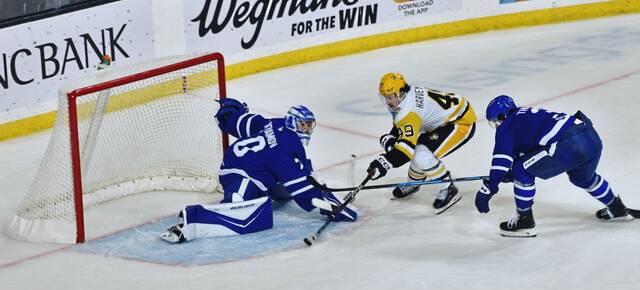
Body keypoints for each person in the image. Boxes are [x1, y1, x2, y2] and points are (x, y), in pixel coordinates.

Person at [161, 104, 357, 243]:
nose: (307, 129)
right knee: (241, 212)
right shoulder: (286, 148)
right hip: (240, 173)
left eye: (309, 125)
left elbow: (247, 123)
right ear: (294, 123)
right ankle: (192, 221)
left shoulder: (276, 123)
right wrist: (326, 206)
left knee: (285, 188)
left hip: (258, 170)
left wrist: (231, 116)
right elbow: (301, 189)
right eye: (304, 125)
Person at [475, 95, 638, 237]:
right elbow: (533, 148)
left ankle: (524, 220)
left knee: (521, 168)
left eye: (495, 121)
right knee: (584, 178)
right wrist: (510, 175)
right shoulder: (525, 116)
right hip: (589, 135)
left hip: (568, 144)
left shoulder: (506, 128)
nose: (496, 126)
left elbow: (501, 163)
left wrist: (489, 187)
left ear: (502, 117)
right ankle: (617, 208)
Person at [366, 73, 478, 214]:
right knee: (419, 150)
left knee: (421, 154)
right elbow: (402, 126)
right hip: (446, 119)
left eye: (390, 97)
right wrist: (391, 138)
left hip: (460, 123)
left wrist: (383, 163)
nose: (387, 102)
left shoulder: (408, 111)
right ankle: (414, 182)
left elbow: (404, 153)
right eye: (385, 97)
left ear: (400, 93)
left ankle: (448, 188)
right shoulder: (407, 95)